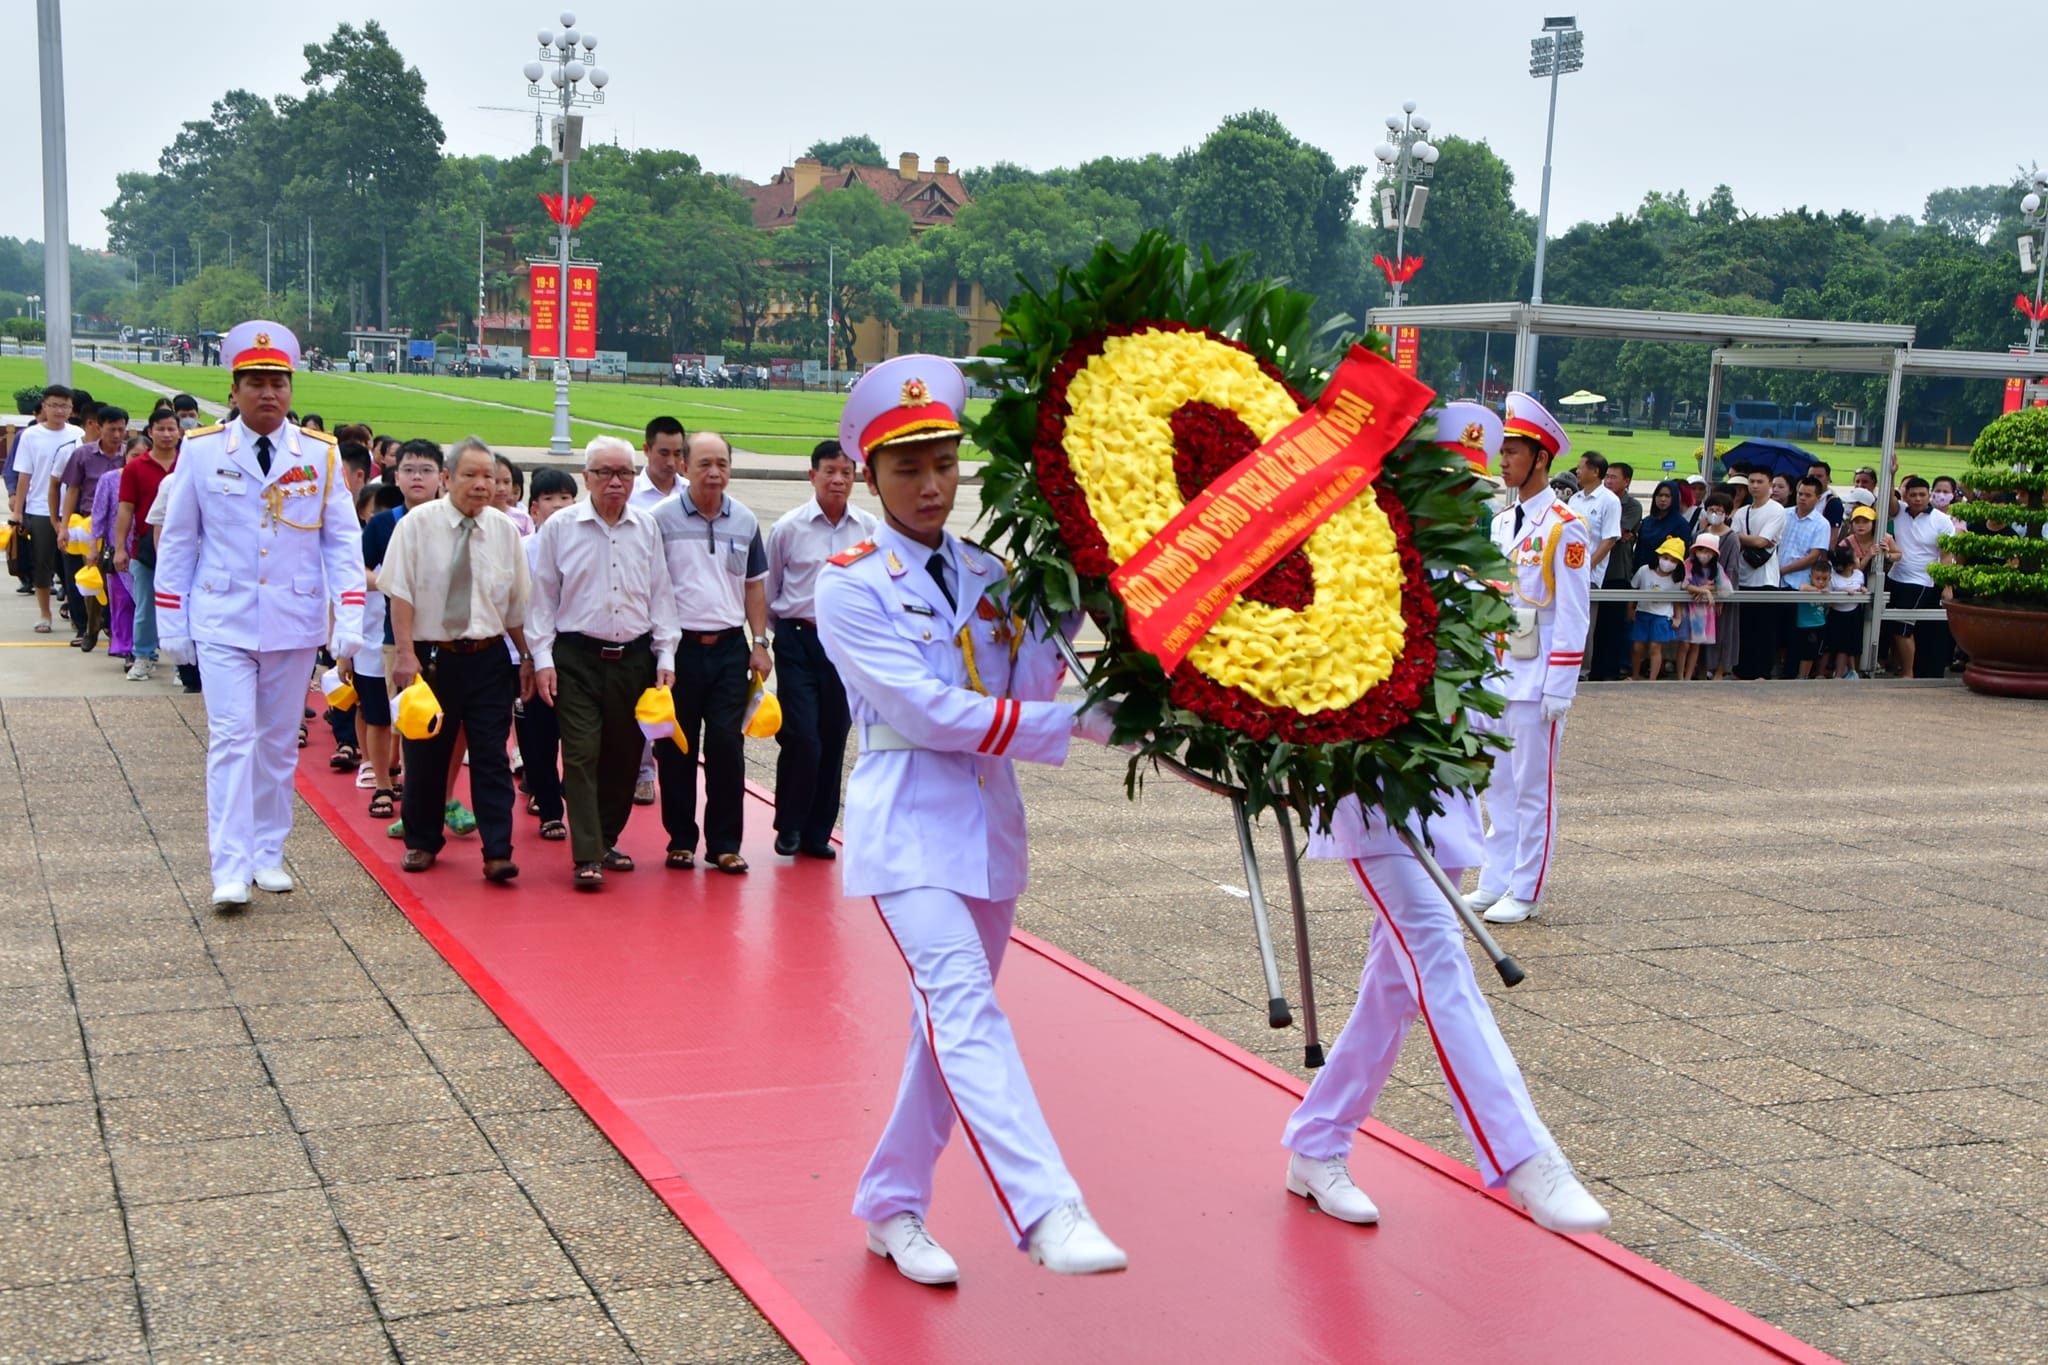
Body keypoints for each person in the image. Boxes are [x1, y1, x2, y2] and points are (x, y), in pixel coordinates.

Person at [818, 353, 1128, 1285]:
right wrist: (1067, 722)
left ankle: (892, 1202)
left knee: (942, 1033)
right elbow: (925, 711)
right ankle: (1047, 1207)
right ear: (869, 476)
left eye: (945, 463)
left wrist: (1091, 616)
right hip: (907, 823)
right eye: (908, 467)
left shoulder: (994, 572)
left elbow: (1036, 680)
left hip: (988, 827)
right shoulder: (850, 582)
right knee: (963, 1006)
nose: (931, 484)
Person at [1284, 792, 1609, 1235]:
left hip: (1439, 789)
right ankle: (1522, 1152)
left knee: (1394, 988)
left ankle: (1318, 1139)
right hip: (1366, 790)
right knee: (1438, 958)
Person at [153, 320, 363, 911]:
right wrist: (172, 620)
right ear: (235, 389)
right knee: (230, 739)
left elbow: (342, 542)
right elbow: (178, 541)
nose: (269, 393)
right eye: (256, 382)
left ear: (291, 390)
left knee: (276, 744)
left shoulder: (318, 456)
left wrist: (347, 614)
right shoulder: (200, 451)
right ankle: (229, 865)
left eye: (279, 382)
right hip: (223, 615)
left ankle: (269, 851)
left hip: (293, 619)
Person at [527, 436, 681, 888]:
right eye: (605, 473)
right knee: (580, 753)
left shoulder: (647, 527)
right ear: (586, 477)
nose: (616, 482)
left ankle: (606, 838)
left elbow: (661, 594)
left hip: (633, 658)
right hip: (576, 656)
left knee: (625, 755)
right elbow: (543, 601)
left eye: (625, 473)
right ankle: (587, 855)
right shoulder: (561, 527)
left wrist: (665, 653)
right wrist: (541, 659)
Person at [379, 438, 532, 881]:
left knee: (491, 757)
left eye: (489, 476)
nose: (482, 485)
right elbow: (400, 594)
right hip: (431, 661)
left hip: (487, 660)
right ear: (447, 479)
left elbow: (516, 607)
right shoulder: (417, 526)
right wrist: (404, 655)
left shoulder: (505, 531)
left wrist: (526, 656)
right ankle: (423, 841)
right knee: (426, 757)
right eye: (471, 475)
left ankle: (498, 850)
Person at [1472, 394, 1590, 926]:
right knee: (1497, 785)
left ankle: (1526, 886)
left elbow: (1572, 611)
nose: (1503, 462)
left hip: (1539, 668)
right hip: (1500, 667)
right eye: (1502, 452)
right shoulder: (1502, 523)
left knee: (1532, 788)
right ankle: (1495, 878)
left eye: (1512, 452)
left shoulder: (1566, 526)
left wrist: (1560, 686)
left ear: (1540, 458)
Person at [651, 433, 771, 874]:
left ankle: (723, 843)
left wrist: (759, 642)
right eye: (704, 463)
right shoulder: (660, 520)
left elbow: (754, 584)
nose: (714, 472)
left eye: (721, 463)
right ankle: (680, 839)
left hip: (728, 650)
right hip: (678, 650)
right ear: (684, 466)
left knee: (726, 746)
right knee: (676, 749)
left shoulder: (745, 519)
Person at [765, 438, 880, 859]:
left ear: (856, 479)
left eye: (845, 473)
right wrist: (775, 638)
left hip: (844, 646)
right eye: (829, 472)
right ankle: (789, 825)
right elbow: (772, 587)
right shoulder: (788, 528)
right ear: (812, 475)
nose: (837, 480)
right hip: (798, 640)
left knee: (833, 737)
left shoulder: (867, 529)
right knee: (802, 736)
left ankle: (818, 832)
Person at [515, 468, 579, 845]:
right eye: (550, 500)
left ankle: (573, 789)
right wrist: (528, 655)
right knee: (537, 736)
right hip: (530, 654)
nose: (558, 507)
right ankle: (549, 807)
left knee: (579, 734)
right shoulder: (524, 551)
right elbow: (518, 607)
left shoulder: (583, 545)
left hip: (574, 656)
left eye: (565, 499)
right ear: (534, 510)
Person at [628, 416, 688, 804]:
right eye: (663, 453)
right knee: (643, 694)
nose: (671, 461)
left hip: (683, 611)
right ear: (647, 450)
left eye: (678, 453)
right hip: (640, 610)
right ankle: (642, 769)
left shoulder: (691, 492)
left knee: (674, 696)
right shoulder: (631, 496)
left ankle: (672, 770)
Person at [114, 407, 181, 681]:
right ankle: (143, 656)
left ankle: (183, 665)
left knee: (182, 609)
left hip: (183, 549)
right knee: (145, 607)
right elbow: (126, 509)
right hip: (144, 548)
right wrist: (119, 548)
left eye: (171, 429)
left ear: (180, 432)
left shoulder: (189, 463)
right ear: (150, 432)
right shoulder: (135, 467)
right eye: (161, 429)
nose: (167, 434)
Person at [8, 385, 81, 634]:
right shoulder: (30, 436)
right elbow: (23, 476)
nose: (60, 411)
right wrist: (18, 512)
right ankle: (44, 613)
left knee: (74, 563)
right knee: (42, 562)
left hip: (73, 509)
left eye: (65, 406)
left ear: (72, 409)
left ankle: (76, 610)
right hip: (39, 508)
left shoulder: (78, 434)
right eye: (54, 405)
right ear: (43, 407)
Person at [57, 405, 129, 647]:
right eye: (112, 429)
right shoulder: (83, 455)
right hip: (89, 522)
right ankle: (89, 628)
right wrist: (63, 526)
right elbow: (72, 491)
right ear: (99, 427)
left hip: (120, 525)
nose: (117, 435)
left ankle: (112, 627)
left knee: (116, 580)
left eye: (121, 430)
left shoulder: (129, 455)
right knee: (90, 577)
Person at [1881, 475, 1957, 678]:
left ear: (1929, 494)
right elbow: (1887, 500)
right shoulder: (1900, 512)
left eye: (1922, 494)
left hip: (1921, 581)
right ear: (1906, 495)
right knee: (1888, 626)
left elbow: (1946, 554)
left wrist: (1947, 585)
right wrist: (1892, 473)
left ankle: (1908, 673)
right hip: (1896, 576)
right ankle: (1895, 666)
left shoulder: (1941, 521)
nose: (1917, 499)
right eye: (1913, 495)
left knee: (1903, 628)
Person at [1567, 451, 1622, 680]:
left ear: (1595, 471)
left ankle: (1582, 671)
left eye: (1581, 467)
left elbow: (1609, 540)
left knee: (1584, 622)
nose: (1577, 471)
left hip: (1589, 574)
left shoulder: (1609, 501)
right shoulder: (1575, 500)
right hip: (1567, 570)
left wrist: (1586, 566)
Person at [1731, 469, 1786, 679]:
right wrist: (1749, 538)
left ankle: (1762, 671)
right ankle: (1741, 669)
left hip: (1765, 579)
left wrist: (1743, 537)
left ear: (1769, 484)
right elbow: (1734, 538)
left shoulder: (1776, 510)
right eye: (1751, 481)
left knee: (1763, 629)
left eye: (1759, 482)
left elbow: (1763, 541)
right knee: (1743, 628)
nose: (1755, 486)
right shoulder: (1742, 511)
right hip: (1742, 576)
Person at [1629, 535, 1683, 680]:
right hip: (1642, 612)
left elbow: (1678, 600)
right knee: (1637, 647)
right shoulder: (1644, 570)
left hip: (1662, 615)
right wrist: (1631, 609)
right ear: (1659, 555)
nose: (1668, 562)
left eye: (1673, 560)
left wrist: (1678, 616)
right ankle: (1635, 675)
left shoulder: (1677, 579)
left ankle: (1652, 680)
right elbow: (1633, 590)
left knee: (1655, 647)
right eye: (1666, 558)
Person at [1677, 533, 1722, 681]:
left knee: (1696, 646)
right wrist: (1704, 590)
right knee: (1684, 645)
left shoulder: (1717, 568)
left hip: (1703, 613)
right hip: (1687, 610)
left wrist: (1707, 588)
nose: (1704, 554)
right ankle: (1680, 677)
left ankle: (1688, 677)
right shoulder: (1688, 564)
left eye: (1708, 551)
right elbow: (1685, 585)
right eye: (1701, 550)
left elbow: (1723, 586)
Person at [490, 453, 533, 534]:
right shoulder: (474, 516)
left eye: (507, 482)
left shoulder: (523, 518)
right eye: (496, 482)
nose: (502, 488)